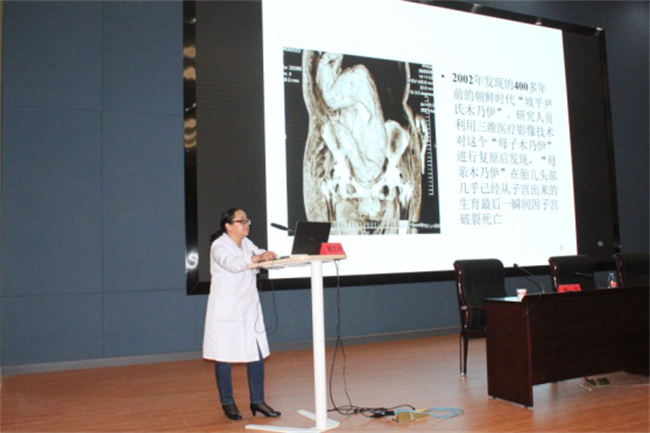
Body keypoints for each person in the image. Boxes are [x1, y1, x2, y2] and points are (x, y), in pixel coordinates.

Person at [203, 208, 281, 421]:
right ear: (228, 226)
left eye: (247, 221)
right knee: (224, 357)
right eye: (241, 221)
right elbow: (233, 264)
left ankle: (258, 400)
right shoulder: (219, 246)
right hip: (226, 311)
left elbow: (258, 254)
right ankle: (227, 403)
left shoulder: (246, 243)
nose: (246, 224)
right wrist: (257, 257)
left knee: (256, 353)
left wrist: (268, 255)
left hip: (248, 309)